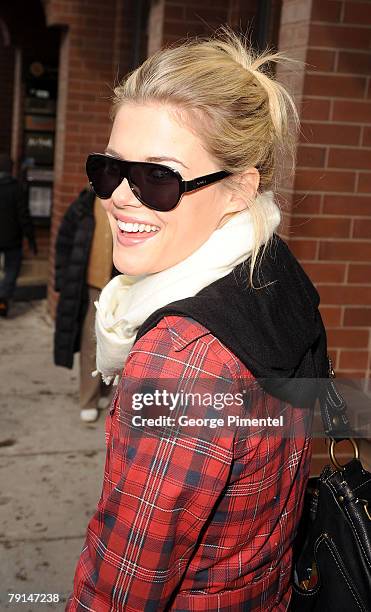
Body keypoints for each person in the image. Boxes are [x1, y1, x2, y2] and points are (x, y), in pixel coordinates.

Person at [66, 28, 329, 611]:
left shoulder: (180, 361)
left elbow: (122, 589)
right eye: (110, 169)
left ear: (239, 189)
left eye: (159, 177)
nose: (120, 198)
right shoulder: (273, 271)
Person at [53, 189, 115, 422]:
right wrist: (62, 280)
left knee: (116, 345)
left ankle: (105, 390)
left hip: (120, 288)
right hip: (91, 287)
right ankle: (88, 398)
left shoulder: (129, 204)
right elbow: (64, 243)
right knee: (91, 343)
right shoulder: (83, 206)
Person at [0, 153, 37, 317]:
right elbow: (24, 216)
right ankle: (2, 298)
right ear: (11, 169)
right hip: (12, 238)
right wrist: (31, 238)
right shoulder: (17, 189)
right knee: (12, 269)